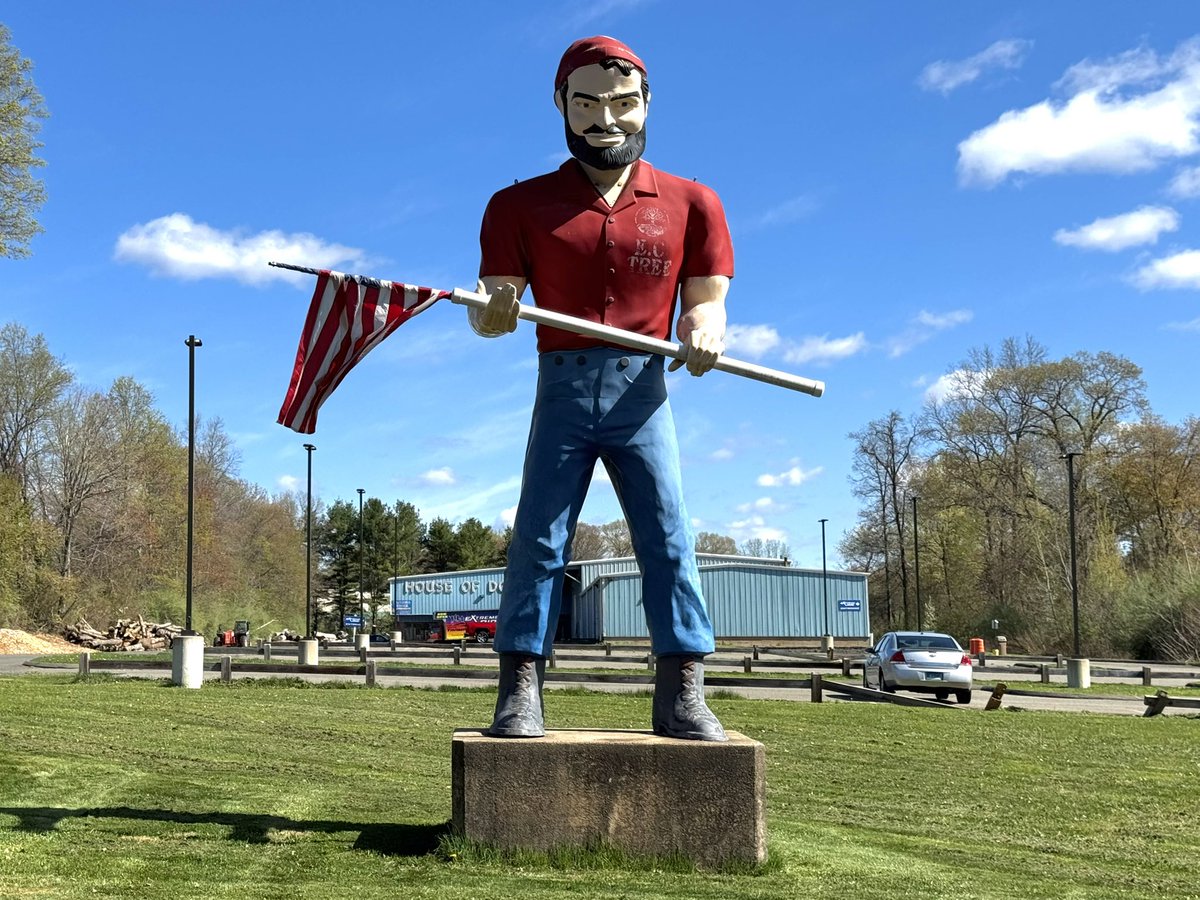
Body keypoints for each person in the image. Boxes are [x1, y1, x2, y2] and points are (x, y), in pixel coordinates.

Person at [471, 35, 732, 742]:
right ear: (560, 104)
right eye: (586, 103)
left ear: (647, 103)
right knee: (538, 539)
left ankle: (683, 689)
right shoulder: (517, 206)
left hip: (641, 390)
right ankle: (520, 687)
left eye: (621, 102)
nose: (604, 119)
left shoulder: (693, 203)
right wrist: (489, 308)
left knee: (667, 537)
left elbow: (707, 300)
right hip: (561, 385)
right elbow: (494, 303)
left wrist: (704, 325)